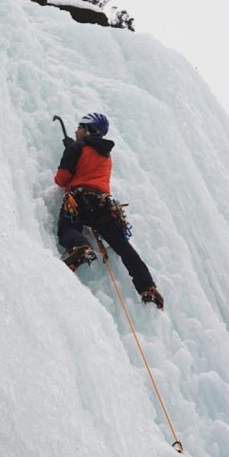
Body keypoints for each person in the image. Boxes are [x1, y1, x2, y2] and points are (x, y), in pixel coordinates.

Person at [54, 112, 164, 310]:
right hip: (103, 205)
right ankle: (147, 286)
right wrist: (73, 147)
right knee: (122, 246)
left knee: (67, 229)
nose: (76, 130)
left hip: (79, 199)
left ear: (88, 129)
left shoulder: (78, 148)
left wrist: (71, 150)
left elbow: (61, 179)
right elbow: (90, 166)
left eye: (80, 126)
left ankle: (80, 247)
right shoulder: (106, 155)